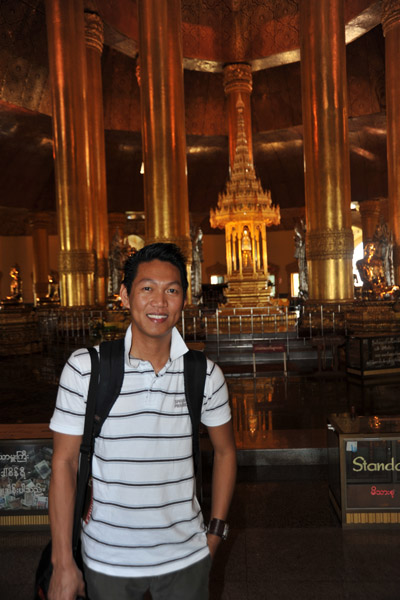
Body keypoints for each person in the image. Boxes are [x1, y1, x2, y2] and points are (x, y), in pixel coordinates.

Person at [48, 242, 237, 600]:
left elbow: (226, 453)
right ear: (124, 295)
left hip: (187, 556)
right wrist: (62, 563)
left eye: (172, 290)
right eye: (147, 288)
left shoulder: (205, 375)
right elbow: (63, 462)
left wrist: (214, 535)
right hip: (108, 559)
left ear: (184, 298)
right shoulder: (86, 369)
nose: (160, 303)